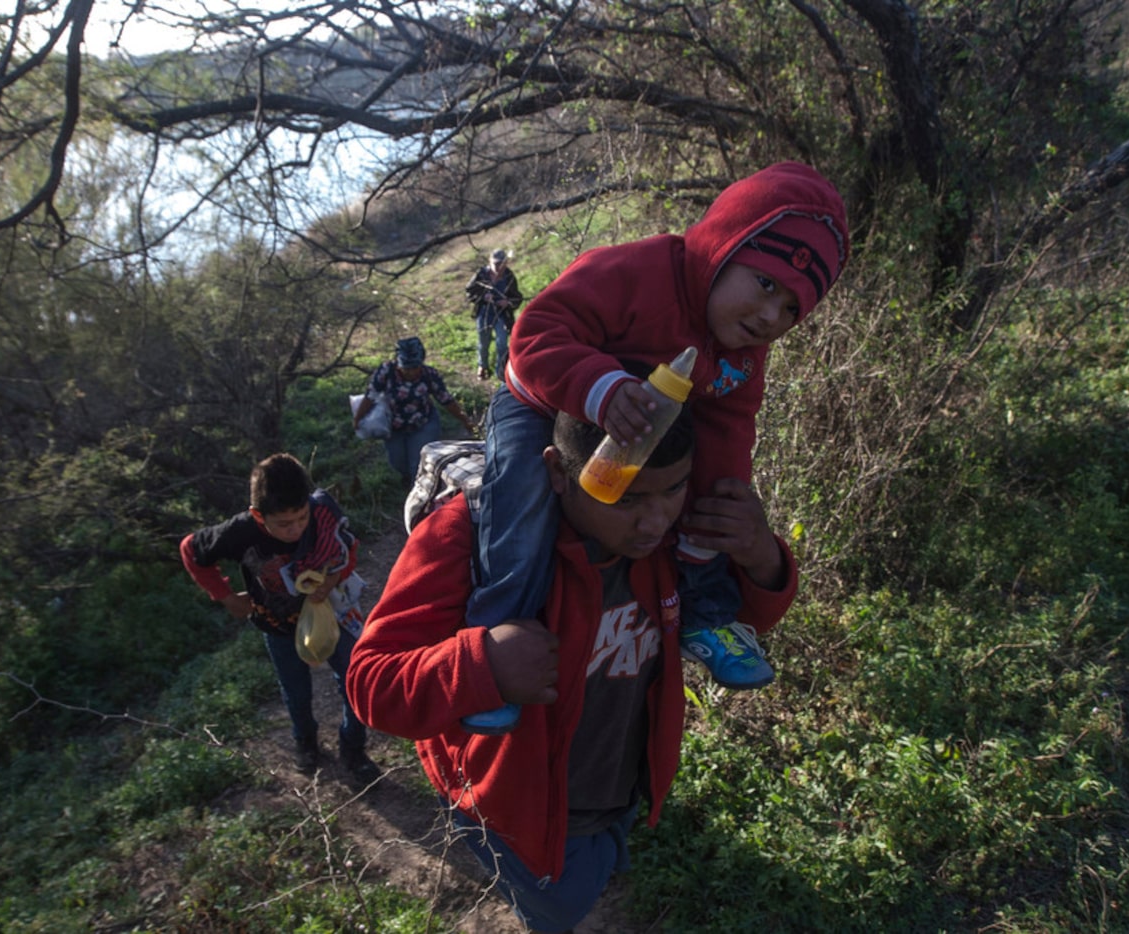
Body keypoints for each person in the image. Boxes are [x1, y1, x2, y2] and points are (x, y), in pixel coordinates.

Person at [347, 406, 797, 932]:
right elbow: (370, 681)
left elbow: (742, 619)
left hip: (619, 787)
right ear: (558, 471)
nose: (654, 521)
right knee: (561, 908)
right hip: (513, 812)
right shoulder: (475, 535)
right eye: (624, 497)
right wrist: (484, 663)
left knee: (595, 869)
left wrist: (761, 554)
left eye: (673, 490)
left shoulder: (673, 533)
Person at [470, 161, 848, 720]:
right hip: (540, 402)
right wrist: (601, 390)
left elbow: (730, 424)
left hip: (642, 437)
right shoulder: (636, 272)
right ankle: (495, 652)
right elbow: (537, 331)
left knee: (710, 504)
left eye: (793, 307)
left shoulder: (741, 349)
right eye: (766, 284)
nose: (772, 315)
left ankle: (707, 615)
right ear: (723, 245)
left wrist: (717, 513)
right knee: (522, 507)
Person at [179, 452, 381, 786]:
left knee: (354, 679)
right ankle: (305, 742)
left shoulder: (323, 512)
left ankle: (354, 748)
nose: (295, 529)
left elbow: (347, 549)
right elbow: (191, 550)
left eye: (301, 518)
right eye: (283, 524)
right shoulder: (240, 532)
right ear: (259, 516)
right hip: (277, 625)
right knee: (295, 690)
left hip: (332, 614)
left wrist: (332, 579)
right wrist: (226, 597)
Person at [353, 336, 478, 486]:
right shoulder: (386, 372)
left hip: (423, 424)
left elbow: (446, 400)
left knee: (418, 464)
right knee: (397, 461)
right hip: (394, 426)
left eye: (414, 367)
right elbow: (370, 396)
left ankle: (420, 495)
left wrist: (465, 420)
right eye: (406, 368)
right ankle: (408, 477)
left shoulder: (429, 375)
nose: (410, 372)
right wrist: (358, 418)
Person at [465, 248, 524, 381]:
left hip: (502, 315)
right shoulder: (481, 275)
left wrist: (507, 302)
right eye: (496, 263)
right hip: (485, 313)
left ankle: (500, 372)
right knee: (484, 342)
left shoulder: (509, 276)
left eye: (501, 264)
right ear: (490, 262)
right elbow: (469, 291)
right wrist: (483, 296)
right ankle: (482, 366)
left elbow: (517, 297)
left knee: (502, 343)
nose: (498, 267)